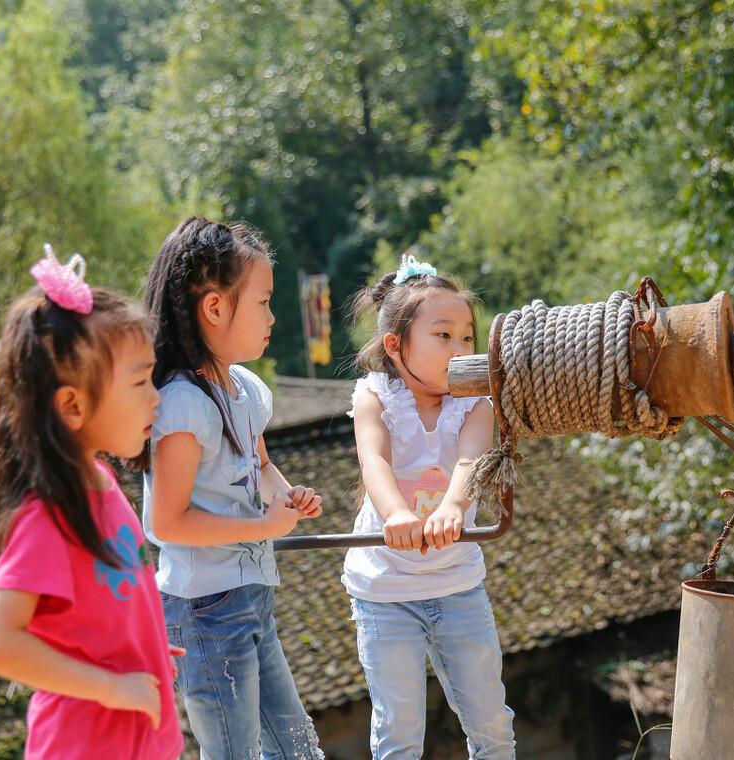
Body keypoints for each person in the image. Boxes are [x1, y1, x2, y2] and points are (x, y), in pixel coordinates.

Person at [0, 246, 182, 759]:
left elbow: (101, 604)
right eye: (138, 382)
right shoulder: (49, 515)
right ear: (72, 406)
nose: (155, 398)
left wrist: (144, 644)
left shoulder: (102, 482)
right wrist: (109, 686)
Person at [135, 216, 324, 759]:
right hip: (205, 612)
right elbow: (166, 524)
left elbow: (259, 466)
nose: (272, 316)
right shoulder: (183, 403)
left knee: (298, 752)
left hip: (250, 599)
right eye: (263, 302)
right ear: (214, 308)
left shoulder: (243, 389)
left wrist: (288, 496)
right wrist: (265, 525)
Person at [344, 254, 516, 759]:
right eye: (443, 336)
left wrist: (454, 507)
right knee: (398, 730)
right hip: (385, 588)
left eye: (467, 336)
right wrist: (396, 514)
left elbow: (471, 459)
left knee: (490, 721)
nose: (460, 347)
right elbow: (373, 458)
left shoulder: (474, 403)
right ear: (396, 346)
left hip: (456, 583)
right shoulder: (375, 396)